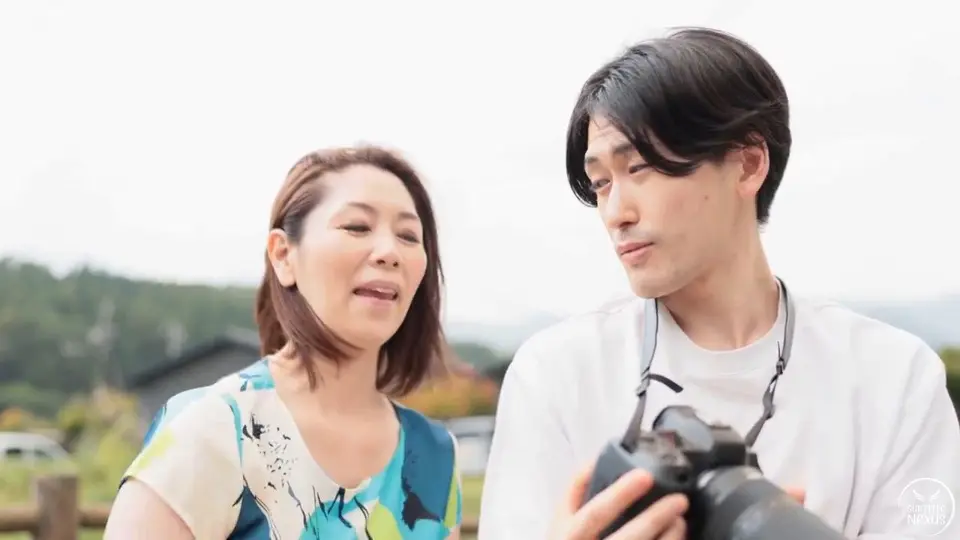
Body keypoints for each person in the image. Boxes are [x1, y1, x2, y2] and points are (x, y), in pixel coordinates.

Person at [478, 27, 960, 539]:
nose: (615, 213)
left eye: (638, 167)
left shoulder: (895, 380)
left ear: (748, 164)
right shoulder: (556, 374)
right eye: (600, 183)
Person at [105, 145, 463, 539]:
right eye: (357, 227)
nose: (389, 252)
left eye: (409, 236)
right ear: (283, 255)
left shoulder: (435, 458)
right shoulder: (214, 429)